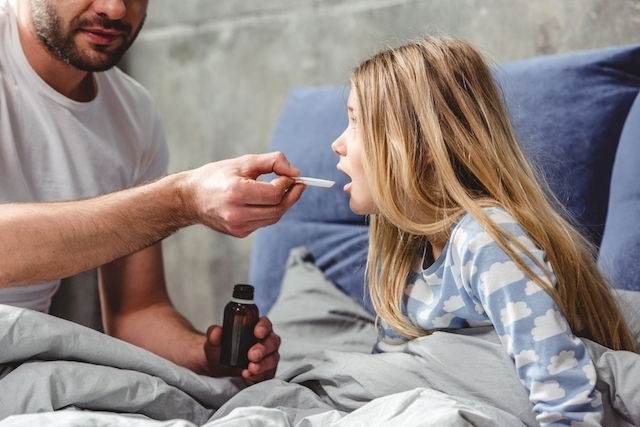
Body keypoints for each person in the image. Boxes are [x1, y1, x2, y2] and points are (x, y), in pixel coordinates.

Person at [330, 36, 636, 426]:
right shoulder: (403, 254)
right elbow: (389, 381)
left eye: (356, 121)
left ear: (422, 145)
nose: (338, 143)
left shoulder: (486, 241)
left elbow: (563, 390)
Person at [0, 0, 306, 381]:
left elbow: (136, 313)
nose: (114, 10)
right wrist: (180, 199)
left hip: (24, 366)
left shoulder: (133, 112)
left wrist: (206, 356)